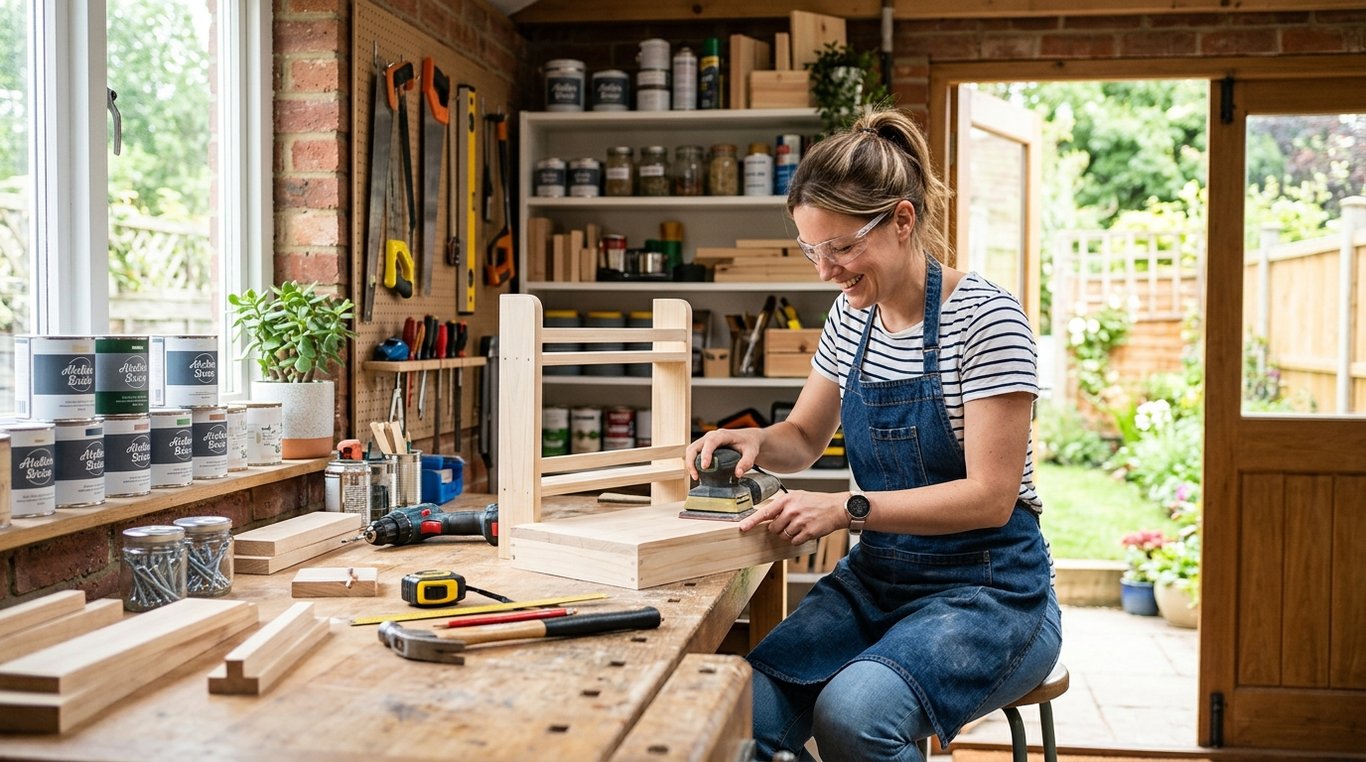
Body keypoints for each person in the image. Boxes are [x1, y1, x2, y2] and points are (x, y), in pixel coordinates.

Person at [685, 108, 1062, 761]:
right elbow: (803, 437)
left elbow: (989, 497)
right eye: (812, 249)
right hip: (881, 578)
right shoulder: (849, 318)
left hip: (991, 589)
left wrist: (846, 509)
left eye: (842, 247)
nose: (825, 269)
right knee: (737, 708)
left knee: (852, 714)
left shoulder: (986, 319)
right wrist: (752, 441)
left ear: (903, 220)